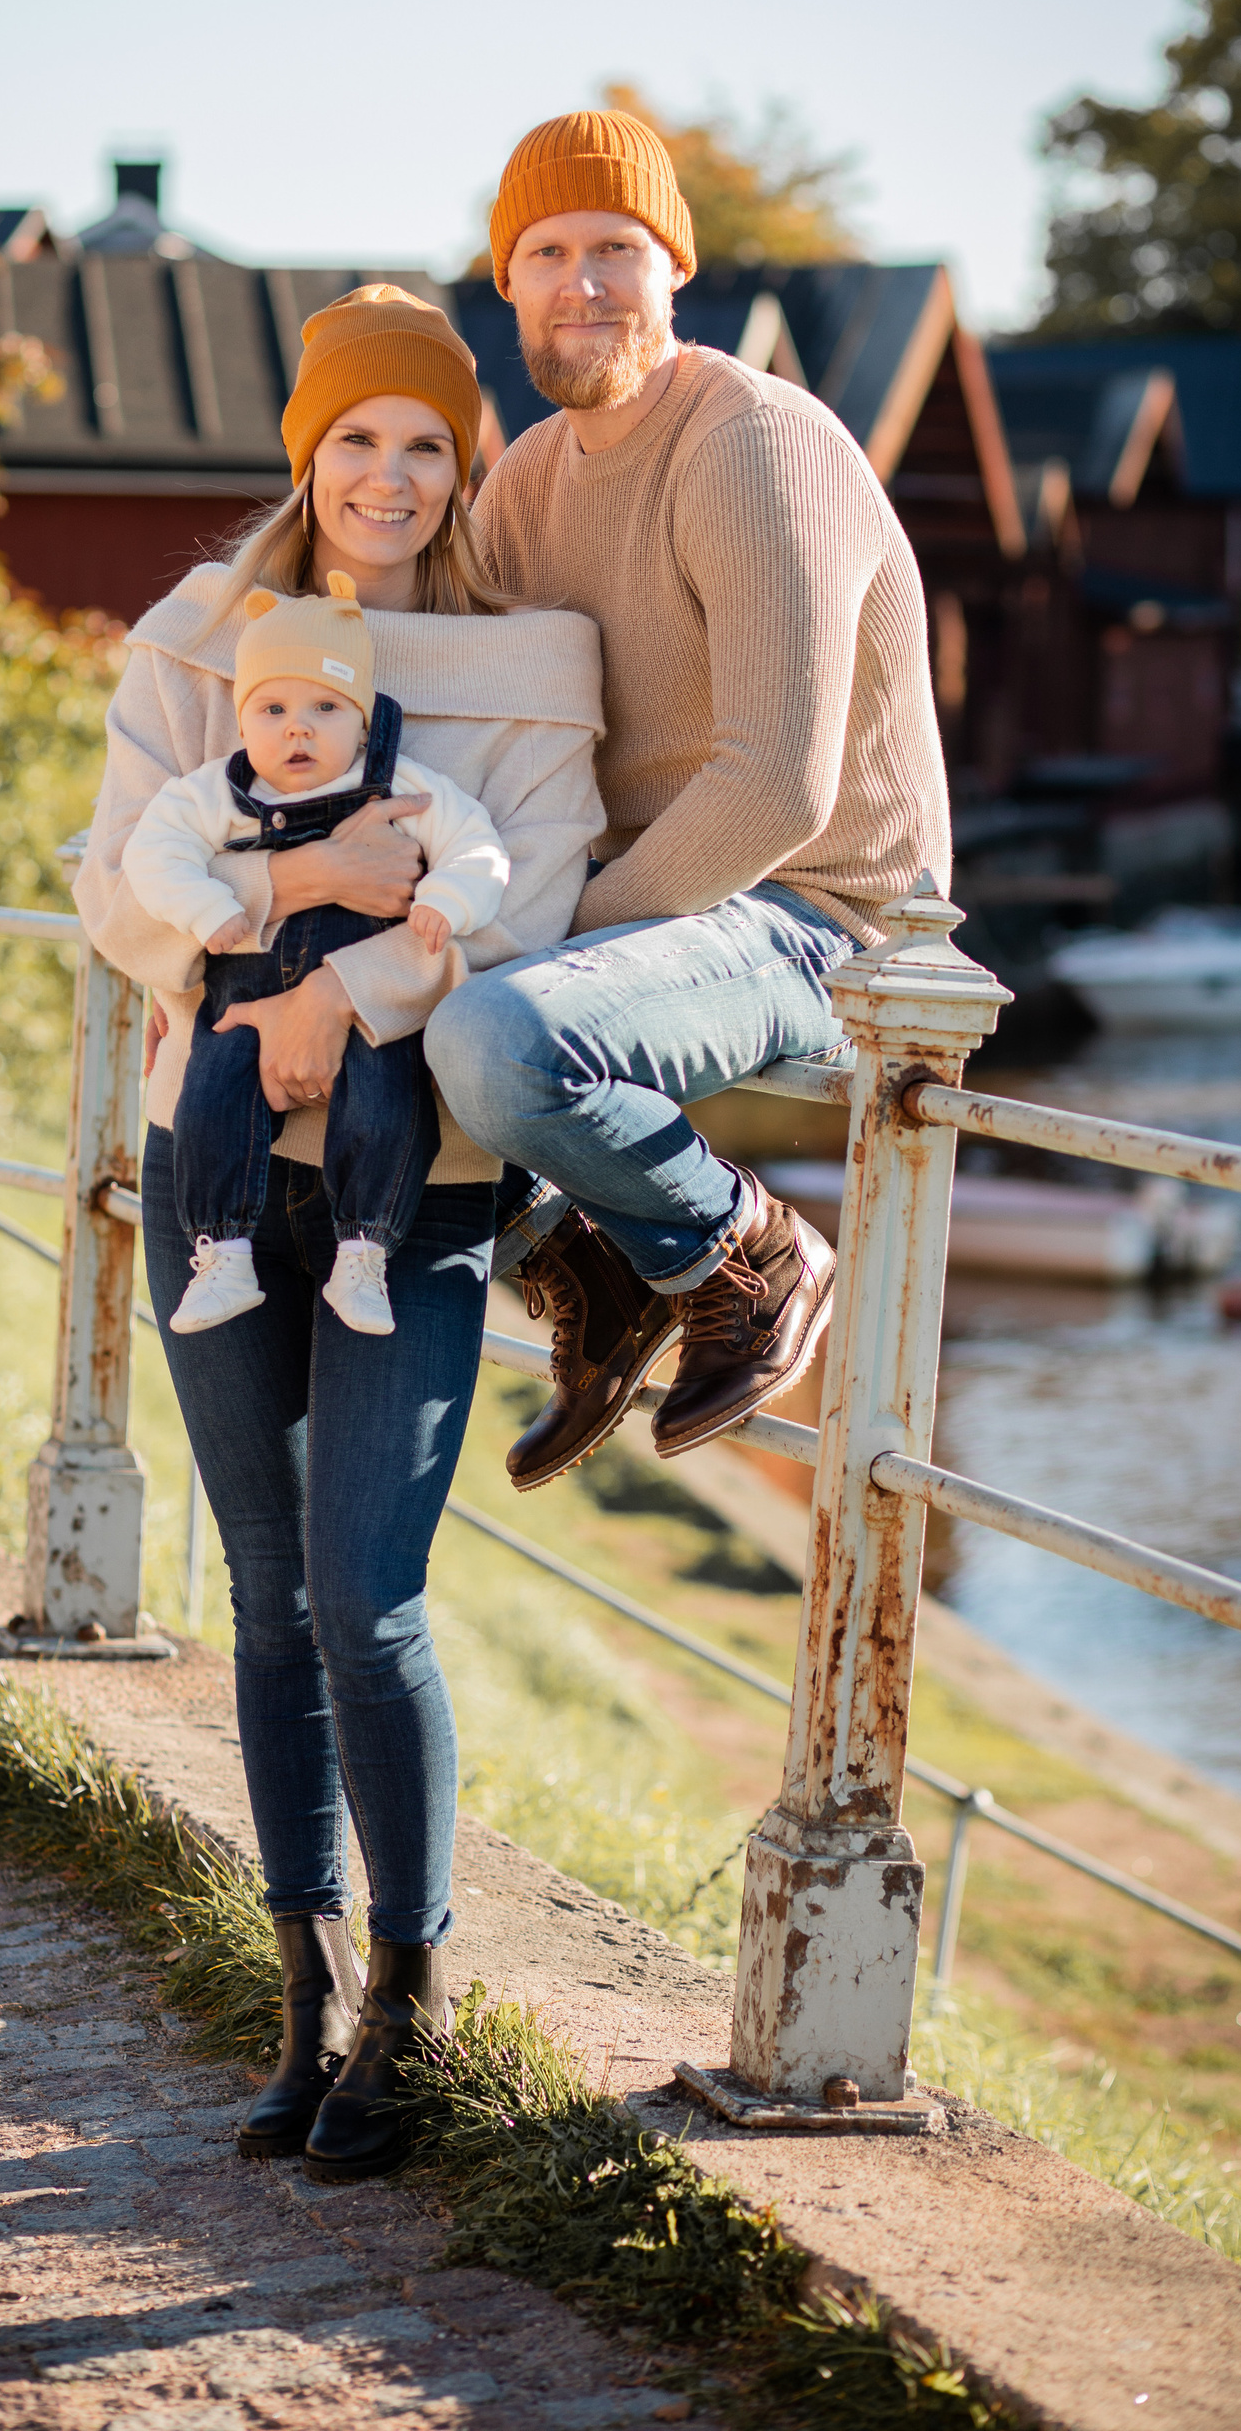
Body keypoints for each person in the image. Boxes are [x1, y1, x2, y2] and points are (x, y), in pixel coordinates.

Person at [73, 284, 603, 2183]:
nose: (388, 476)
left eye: (426, 444)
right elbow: (113, 894)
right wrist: (303, 878)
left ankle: (410, 2001)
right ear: (307, 453)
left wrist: (327, 998)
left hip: (420, 1181)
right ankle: (298, 1996)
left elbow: (537, 905)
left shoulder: (535, 659)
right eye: (355, 439)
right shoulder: (195, 640)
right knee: (268, 1595)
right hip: (213, 1174)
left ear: (466, 464)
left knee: (369, 1599)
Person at [426, 107, 951, 1489]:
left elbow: (777, 787)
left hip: (828, 920)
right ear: (508, 283)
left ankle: (749, 1253)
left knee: (493, 1034)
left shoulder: (753, 441)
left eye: (618, 247)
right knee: (374, 988)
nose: (584, 284)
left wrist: (547, 932)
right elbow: (473, 732)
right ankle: (595, 1274)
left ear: (676, 267)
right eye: (549, 253)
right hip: (673, 921)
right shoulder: (526, 483)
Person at [122, 571, 510, 1338]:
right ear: (244, 717)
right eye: (273, 710)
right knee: (213, 1096)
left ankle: (364, 1254)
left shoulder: (399, 786)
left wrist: (447, 899)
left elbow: (477, 847)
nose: (297, 730)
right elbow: (152, 854)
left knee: (388, 1102)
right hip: (244, 994)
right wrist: (206, 907)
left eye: (324, 708)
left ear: (360, 718)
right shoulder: (218, 793)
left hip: (365, 1006)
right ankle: (221, 1254)